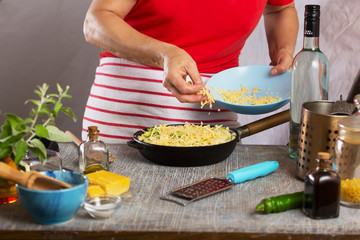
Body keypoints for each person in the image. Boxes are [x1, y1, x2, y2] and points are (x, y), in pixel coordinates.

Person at [82, 0, 299, 143]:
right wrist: (163, 54)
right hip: (125, 116)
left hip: (212, 123)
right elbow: (95, 21)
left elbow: (281, 8)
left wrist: (283, 48)